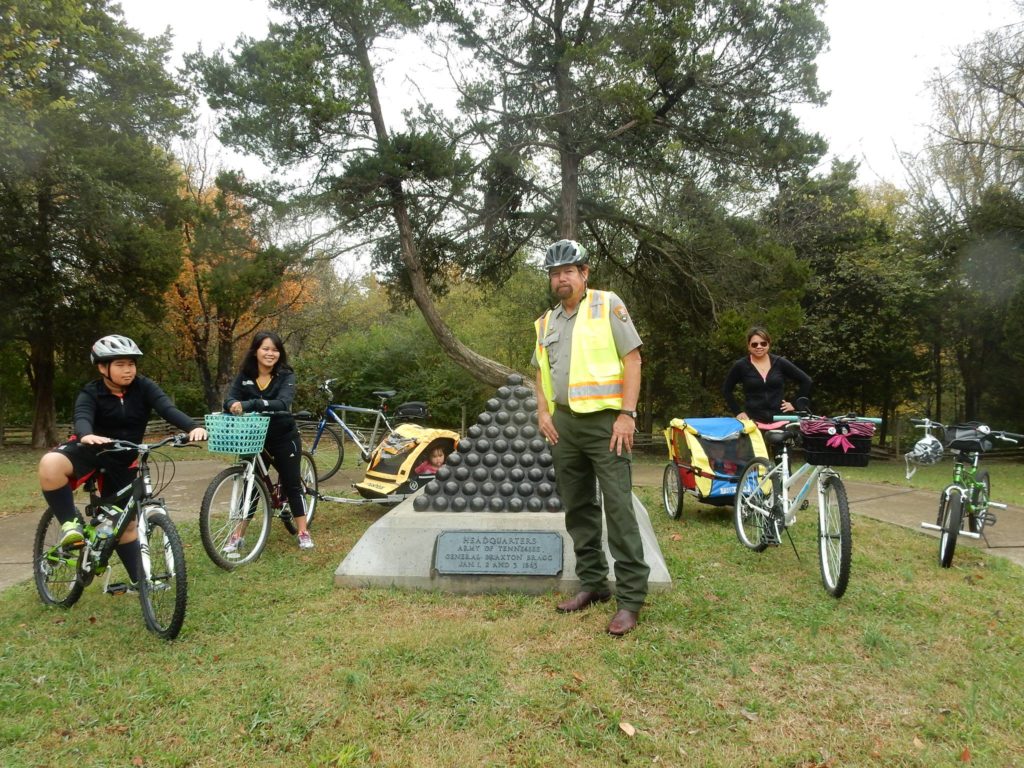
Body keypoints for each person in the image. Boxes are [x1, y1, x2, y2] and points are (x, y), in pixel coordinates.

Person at [533, 239, 649, 637]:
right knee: (578, 508)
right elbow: (540, 371)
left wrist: (627, 415)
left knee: (618, 508)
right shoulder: (546, 322)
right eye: (554, 272)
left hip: (606, 426)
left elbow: (632, 358)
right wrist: (544, 411)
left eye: (568, 271)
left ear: (584, 273)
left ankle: (631, 599)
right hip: (564, 427)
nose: (561, 278)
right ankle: (594, 583)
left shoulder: (607, 304)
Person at [38, 335, 207, 588]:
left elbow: (166, 408)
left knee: (127, 523)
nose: (128, 370)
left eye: (131, 364)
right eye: (120, 364)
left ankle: (141, 582)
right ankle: (71, 527)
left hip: (124, 457)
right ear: (102, 367)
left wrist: (193, 427)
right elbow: (82, 416)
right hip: (91, 448)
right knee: (50, 464)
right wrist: (87, 435)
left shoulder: (144, 387)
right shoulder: (91, 391)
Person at [224, 331, 313, 550]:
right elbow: (230, 398)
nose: (270, 354)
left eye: (275, 350)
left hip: (284, 436)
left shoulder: (285, 375)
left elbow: (283, 403)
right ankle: (238, 535)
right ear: (255, 351)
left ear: (280, 353)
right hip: (254, 437)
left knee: (292, 484)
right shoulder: (245, 374)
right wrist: (232, 405)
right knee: (251, 484)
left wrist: (251, 404)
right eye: (265, 349)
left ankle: (302, 531)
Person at [721, 326, 812, 425]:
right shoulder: (741, 365)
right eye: (754, 344)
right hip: (753, 421)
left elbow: (806, 381)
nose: (759, 347)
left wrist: (794, 404)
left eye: (763, 343)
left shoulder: (780, 362)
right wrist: (738, 412)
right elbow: (726, 390)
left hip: (781, 419)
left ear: (768, 345)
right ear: (748, 346)